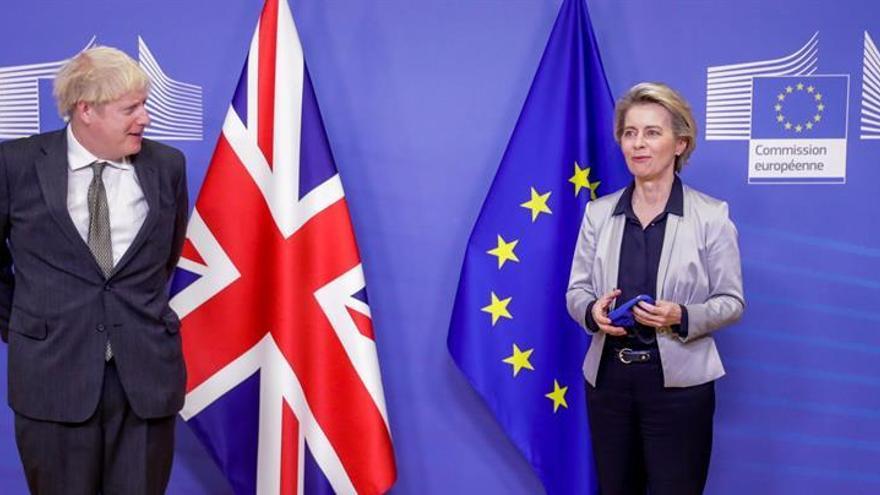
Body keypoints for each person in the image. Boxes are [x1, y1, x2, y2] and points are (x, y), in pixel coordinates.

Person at [0, 46, 188, 494]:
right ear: (85, 110)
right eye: (130, 109)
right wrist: (30, 325)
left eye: (144, 105)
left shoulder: (167, 167)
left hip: (145, 380)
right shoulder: (16, 165)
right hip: (52, 379)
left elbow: (165, 258)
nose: (144, 119)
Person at [566, 82, 744, 495]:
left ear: (680, 143)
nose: (638, 144)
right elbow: (575, 292)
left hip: (680, 389)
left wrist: (681, 316)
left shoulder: (711, 216)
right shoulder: (597, 213)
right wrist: (592, 311)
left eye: (652, 132)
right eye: (630, 133)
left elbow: (731, 302)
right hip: (609, 383)